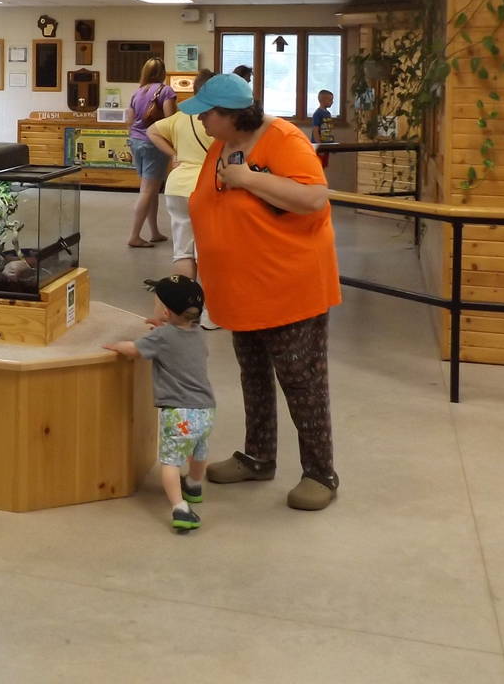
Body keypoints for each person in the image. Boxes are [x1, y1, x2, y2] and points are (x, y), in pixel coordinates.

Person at [174, 72, 342, 511]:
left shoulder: (284, 139)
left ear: (231, 114)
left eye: (207, 114)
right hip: (242, 290)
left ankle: (320, 473)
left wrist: (248, 180)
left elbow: (314, 198)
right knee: (253, 376)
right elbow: (207, 204)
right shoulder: (219, 146)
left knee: (302, 382)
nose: (202, 122)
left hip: (288, 287)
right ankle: (258, 456)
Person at [104, 275, 214, 533]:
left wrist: (115, 346)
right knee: (198, 450)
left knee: (170, 461)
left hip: (178, 412)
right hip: (206, 409)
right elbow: (178, 341)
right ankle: (195, 485)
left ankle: (179, 508)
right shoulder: (198, 334)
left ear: (165, 311)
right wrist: (164, 327)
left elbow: (134, 350)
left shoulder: (162, 337)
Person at [144, 68, 216, 280]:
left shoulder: (181, 116)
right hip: (205, 187)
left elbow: (152, 131)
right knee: (205, 252)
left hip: (176, 187)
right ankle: (208, 306)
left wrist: (174, 155)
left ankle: (183, 307)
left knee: (183, 253)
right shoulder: (220, 119)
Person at [125, 58, 176, 248]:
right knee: (148, 190)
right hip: (154, 143)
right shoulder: (166, 91)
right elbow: (169, 120)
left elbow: (129, 119)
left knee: (151, 189)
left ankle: (154, 232)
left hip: (136, 142)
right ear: (162, 72)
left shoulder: (137, 92)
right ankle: (134, 236)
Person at [309, 89, 336, 168]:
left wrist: (331, 143)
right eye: (330, 100)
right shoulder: (317, 114)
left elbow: (328, 130)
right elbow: (315, 130)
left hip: (326, 143)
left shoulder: (328, 113)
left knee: (324, 165)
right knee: (318, 165)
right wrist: (319, 145)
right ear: (323, 100)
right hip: (320, 145)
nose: (332, 102)